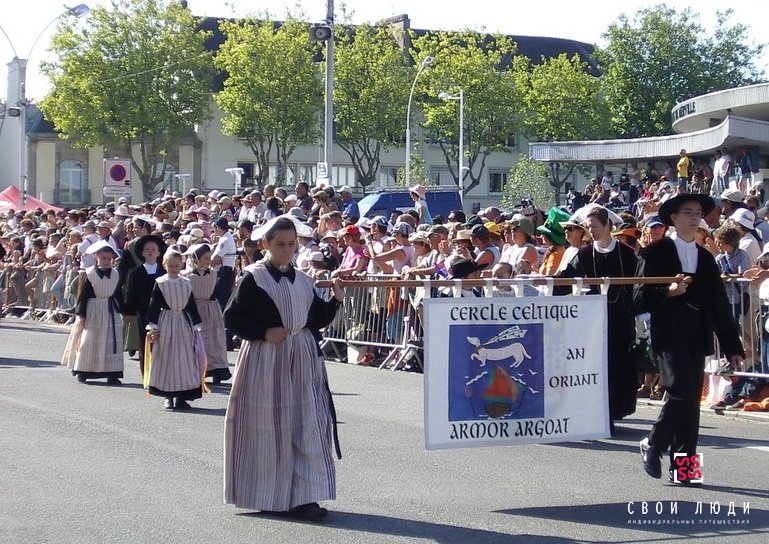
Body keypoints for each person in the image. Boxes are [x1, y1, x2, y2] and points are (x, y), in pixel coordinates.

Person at [223, 216, 345, 519]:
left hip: (301, 357)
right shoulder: (253, 278)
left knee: (307, 424)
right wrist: (264, 332)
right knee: (269, 428)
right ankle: (268, 493)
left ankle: (306, 496)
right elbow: (232, 318)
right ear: (266, 244)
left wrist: (335, 301)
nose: (287, 250)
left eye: (291, 244)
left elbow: (314, 319)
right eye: (280, 245)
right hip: (267, 358)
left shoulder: (303, 280)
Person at [634, 193, 744, 484]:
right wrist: (667, 292)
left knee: (690, 401)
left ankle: (684, 471)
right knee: (680, 391)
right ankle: (654, 443)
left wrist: (733, 345)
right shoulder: (653, 253)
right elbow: (639, 298)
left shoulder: (706, 258)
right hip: (668, 333)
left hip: (697, 334)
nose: (695, 218)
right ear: (674, 217)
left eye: (698, 213)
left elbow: (719, 305)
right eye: (688, 213)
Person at [558, 206, 638, 432]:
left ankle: (614, 409)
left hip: (620, 317)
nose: (590, 231)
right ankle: (599, 413)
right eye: (588, 227)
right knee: (596, 364)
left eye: (594, 226)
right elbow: (566, 279)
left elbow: (638, 282)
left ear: (607, 226)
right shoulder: (583, 254)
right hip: (593, 320)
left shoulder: (626, 253)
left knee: (618, 363)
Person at [145, 250, 204, 410]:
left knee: (184, 360)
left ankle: (182, 396)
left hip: (182, 325)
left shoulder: (186, 283)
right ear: (164, 265)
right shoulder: (161, 282)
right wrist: (153, 326)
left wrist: (196, 323)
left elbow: (191, 305)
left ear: (181, 265)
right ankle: (167, 395)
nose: (173, 268)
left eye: (176, 265)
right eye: (170, 265)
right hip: (166, 323)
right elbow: (154, 305)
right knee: (166, 358)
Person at [61, 241, 125, 385]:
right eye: (104, 258)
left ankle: (112, 373)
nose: (107, 261)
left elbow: (118, 294)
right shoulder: (90, 274)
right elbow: (83, 297)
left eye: (109, 258)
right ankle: (84, 370)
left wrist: (124, 310)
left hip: (110, 311)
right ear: (97, 257)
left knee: (110, 342)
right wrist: (82, 315)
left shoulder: (115, 274)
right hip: (94, 310)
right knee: (90, 340)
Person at [182, 243, 232, 385]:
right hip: (194, 308)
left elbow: (216, 293)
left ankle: (217, 370)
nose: (208, 261)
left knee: (215, 341)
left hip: (211, 309)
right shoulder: (186, 276)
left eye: (209, 257)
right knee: (198, 341)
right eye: (204, 258)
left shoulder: (214, 274)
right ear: (195, 259)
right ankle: (198, 370)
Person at [124, 234, 167, 375]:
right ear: (142, 253)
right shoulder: (136, 272)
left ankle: (160, 374)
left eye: (153, 249)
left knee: (161, 342)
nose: (150, 251)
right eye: (147, 249)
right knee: (145, 342)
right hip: (143, 311)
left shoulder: (163, 272)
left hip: (161, 312)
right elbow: (131, 293)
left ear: (159, 253)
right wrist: (129, 312)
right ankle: (147, 374)